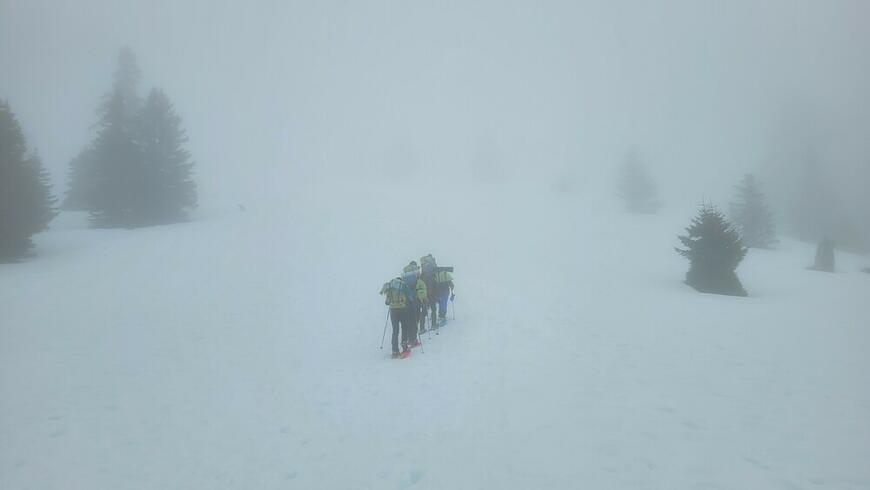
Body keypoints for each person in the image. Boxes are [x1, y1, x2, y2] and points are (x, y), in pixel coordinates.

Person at [380, 277, 414, 358]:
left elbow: (387, 302)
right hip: (403, 310)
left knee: (395, 331)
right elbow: (410, 298)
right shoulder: (403, 286)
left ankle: (395, 350)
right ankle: (404, 346)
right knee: (404, 328)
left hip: (393, 311)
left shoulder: (390, 287)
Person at [401, 262, 428, 347]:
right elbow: (423, 292)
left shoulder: (404, 280)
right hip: (416, 303)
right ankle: (414, 340)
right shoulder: (419, 281)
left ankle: (409, 339)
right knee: (415, 321)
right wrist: (423, 299)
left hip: (406, 303)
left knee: (409, 321)